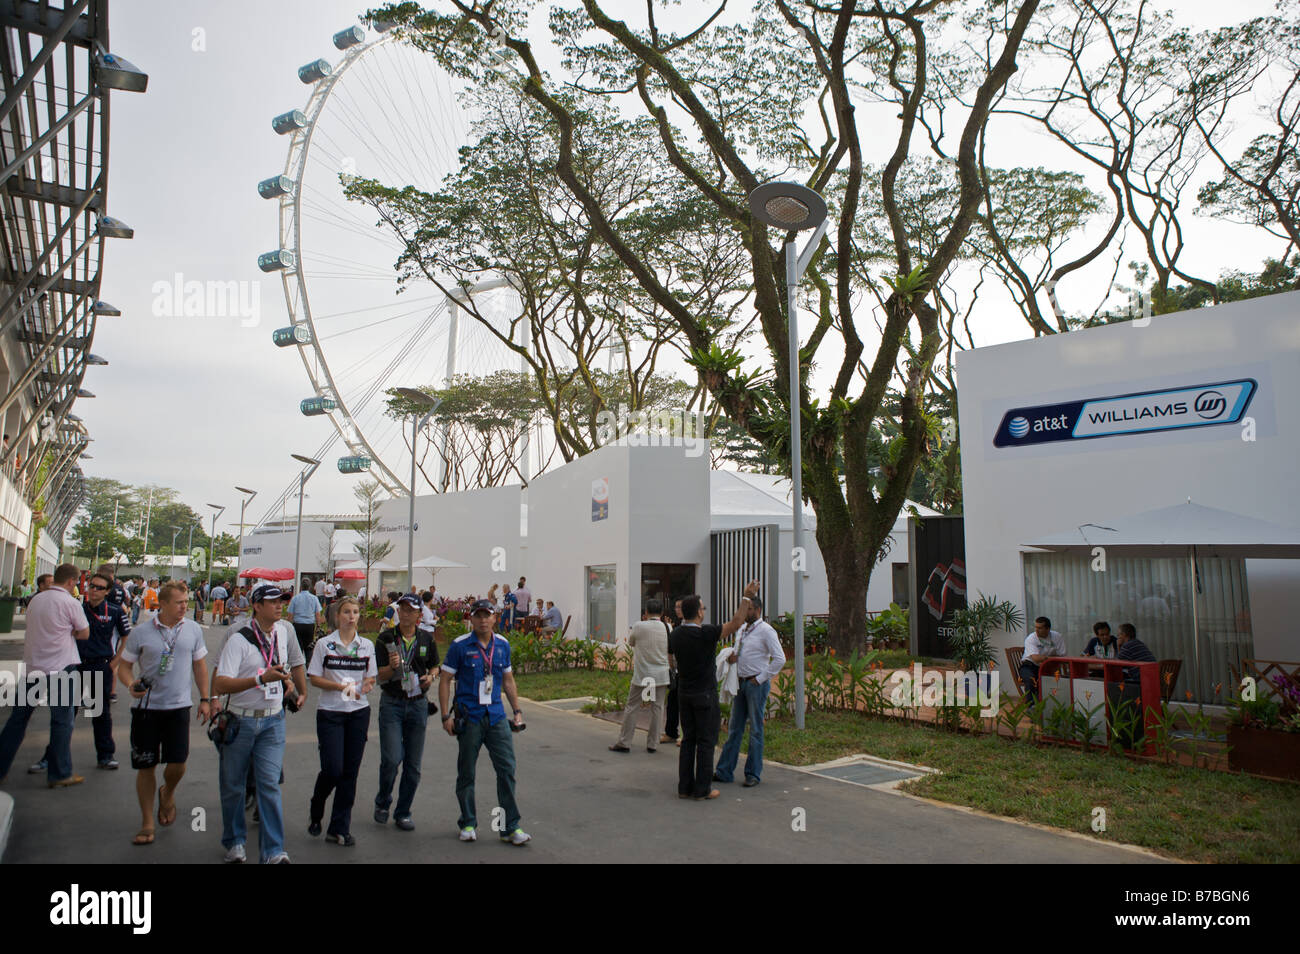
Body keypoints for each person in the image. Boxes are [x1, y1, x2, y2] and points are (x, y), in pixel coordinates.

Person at [212, 584, 307, 864]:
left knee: (269, 784)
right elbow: (221, 681)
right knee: (233, 785)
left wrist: (295, 689)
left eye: (282, 601)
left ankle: (274, 851)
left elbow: (289, 666)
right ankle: (234, 841)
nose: (279, 606)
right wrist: (259, 680)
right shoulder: (238, 639)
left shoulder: (283, 632)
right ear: (256, 605)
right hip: (240, 720)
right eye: (272, 601)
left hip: (272, 720)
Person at [115, 582, 211, 846]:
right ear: (164, 604)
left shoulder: (192, 630)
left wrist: (205, 698)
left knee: (177, 763)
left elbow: (199, 665)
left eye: (186, 602)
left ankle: (167, 792)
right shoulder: (141, 632)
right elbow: (124, 668)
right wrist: (130, 684)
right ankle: (147, 821)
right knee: (146, 766)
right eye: (180, 602)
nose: (185, 607)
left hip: (178, 707)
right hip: (146, 709)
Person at [438, 599, 529, 845]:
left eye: (487, 615)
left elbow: (508, 680)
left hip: (497, 715)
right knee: (467, 771)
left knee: (507, 769)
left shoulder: (502, 645)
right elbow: (445, 679)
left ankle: (510, 827)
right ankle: (468, 822)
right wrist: (446, 715)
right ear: (471, 618)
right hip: (470, 716)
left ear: (494, 618)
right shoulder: (460, 646)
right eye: (478, 616)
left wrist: (517, 710)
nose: (483, 620)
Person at [0, 563, 89, 786]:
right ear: (71, 581)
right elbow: (84, 632)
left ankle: (1, 768)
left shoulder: (36, 600)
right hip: (61, 667)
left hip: (33, 667)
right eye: (76, 582)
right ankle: (60, 773)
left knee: (18, 720)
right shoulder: (70, 602)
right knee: (62, 721)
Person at [671, 583, 758, 800]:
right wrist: (746, 597)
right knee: (706, 741)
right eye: (703, 608)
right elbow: (737, 622)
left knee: (689, 739)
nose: (704, 611)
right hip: (705, 695)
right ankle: (702, 789)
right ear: (699, 612)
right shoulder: (706, 633)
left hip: (684, 693)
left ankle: (684, 788)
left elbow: (671, 660)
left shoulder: (676, 634)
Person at [306, 595, 376, 846]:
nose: (351, 616)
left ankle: (339, 827)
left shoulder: (366, 645)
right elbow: (314, 678)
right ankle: (317, 804)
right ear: (337, 616)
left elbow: (371, 677)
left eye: (355, 612)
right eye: (346, 612)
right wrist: (339, 686)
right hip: (331, 712)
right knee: (333, 769)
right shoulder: (325, 644)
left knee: (350, 773)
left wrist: (366, 686)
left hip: (358, 712)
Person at [373, 593, 439, 830]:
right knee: (391, 759)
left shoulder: (426, 639)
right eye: (402, 609)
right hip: (392, 702)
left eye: (411, 610)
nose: (406, 613)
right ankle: (383, 801)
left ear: (419, 614)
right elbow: (379, 676)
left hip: (418, 703)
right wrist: (391, 669)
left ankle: (403, 811)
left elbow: (434, 665)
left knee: (413, 764)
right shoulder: (385, 639)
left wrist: (430, 677)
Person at [713, 592, 785, 787]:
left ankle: (753, 773)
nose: (746, 612)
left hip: (755, 685)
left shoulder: (767, 631)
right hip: (740, 682)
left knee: (755, 730)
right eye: (745, 609)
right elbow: (739, 652)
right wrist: (731, 657)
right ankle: (724, 771)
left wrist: (760, 678)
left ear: (758, 610)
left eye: (750, 609)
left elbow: (780, 659)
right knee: (734, 728)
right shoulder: (742, 629)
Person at [81, 572, 132, 769]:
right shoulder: (78, 609)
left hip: (99, 665)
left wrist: (115, 662)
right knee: (64, 715)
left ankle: (105, 754)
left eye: (99, 588)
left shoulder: (114, 611)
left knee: (100, 713)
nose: (94, 590)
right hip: (75, 665)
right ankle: (52, 756)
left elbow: (127, 637)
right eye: (92, 586)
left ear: (107, 591)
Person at [610, 599, 670, 754]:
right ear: (662, 613)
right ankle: (653, 744)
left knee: (632, 707)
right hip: (661, 675)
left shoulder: (639, 626)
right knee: (657, 708)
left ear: (646, 612)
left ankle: (625, 742)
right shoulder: (667, 627)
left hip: (643, 674)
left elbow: (631, 643)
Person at [1020, 616, 1066, 704]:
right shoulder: (1031, 638)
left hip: (1048, 667)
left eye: (1040, 628)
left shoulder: (1057, 636)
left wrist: (1045, 658)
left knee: (1060, 681)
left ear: (1048, 629)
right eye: (1036, 627)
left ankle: (1053, 706)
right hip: (1029, 666)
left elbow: (1062, 656)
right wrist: (1051, 658)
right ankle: (1031, 708)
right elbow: (1036, 659)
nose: (1036, 630)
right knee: (1031, 680)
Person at [661, 598, 684, 745]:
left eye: (680, 607)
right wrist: (672, 669)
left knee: (685, 705)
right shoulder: (676, 627)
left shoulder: (690, 626)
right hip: (677, 672)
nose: (677, 609)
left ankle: (685, 734)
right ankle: (671, 733)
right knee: (672, 702)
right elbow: (670, 650)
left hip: (687, 672)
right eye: (676, 607)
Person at [288, 579, 324, 658]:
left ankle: (298, 666)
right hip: (309, 626)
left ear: (300, 587)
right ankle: (308, 665)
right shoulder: (314, 598)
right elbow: (318, 614)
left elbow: (290, 614)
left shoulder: (295, 598)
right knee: (309, 647)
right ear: (310, 587)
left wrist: (289, 626)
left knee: (298, 647)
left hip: (297, 625)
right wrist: (318, 626)